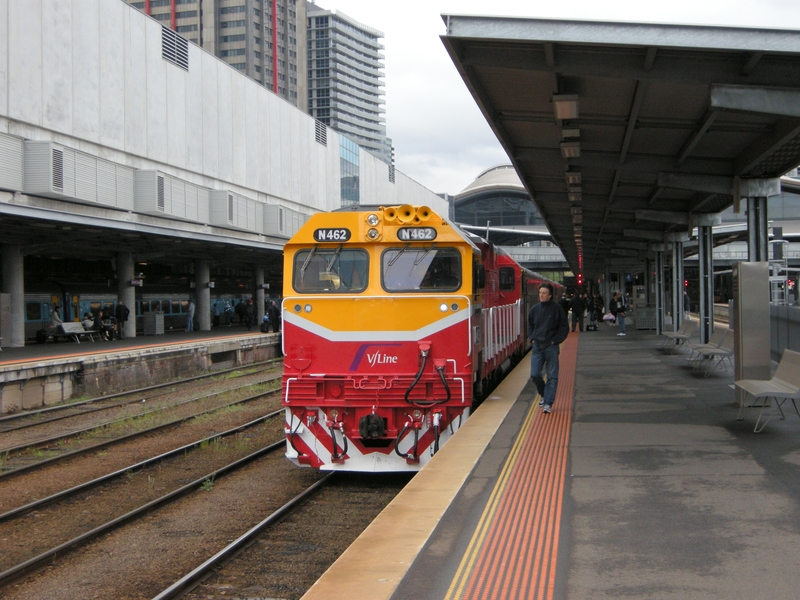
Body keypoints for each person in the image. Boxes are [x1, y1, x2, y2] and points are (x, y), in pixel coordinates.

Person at [528, 283, 569, 415]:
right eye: (540, 293)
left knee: (552, 376)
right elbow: (530, 325)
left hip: (551, 347)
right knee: (534, 374)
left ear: (550, 295)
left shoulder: (557, 309)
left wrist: (555, 341)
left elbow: (564, 327)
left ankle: (548, 403)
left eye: (544, 293)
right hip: (537, 346)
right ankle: (544, 394)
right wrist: (532, 338)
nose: (541, 295)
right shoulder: (534, 309)